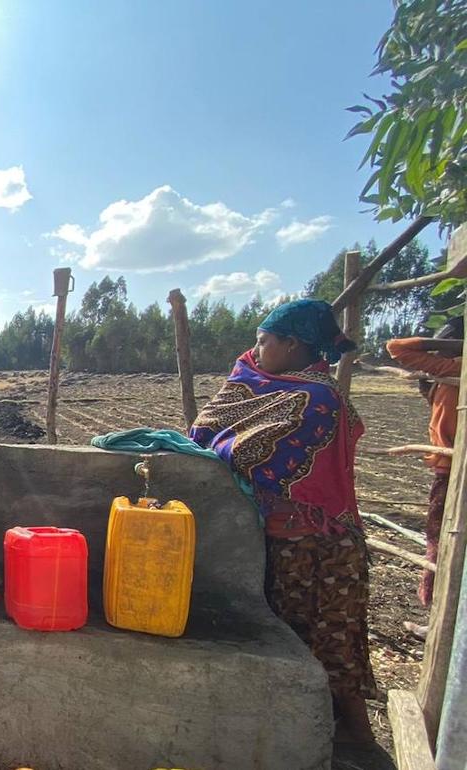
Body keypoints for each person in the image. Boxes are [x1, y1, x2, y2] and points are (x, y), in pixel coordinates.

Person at [189, 299, 376, 745]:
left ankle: (356, 738)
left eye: (264, 341)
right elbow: (207, 425)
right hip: (283, 537)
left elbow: (248, 451)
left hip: (318, 544)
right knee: (291, 632)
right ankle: (317, 731)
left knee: (330, 638)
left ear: (292, 344)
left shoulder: (316, 397)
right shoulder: (271, 385)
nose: (255, 351)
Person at [386, 317, 463, 637]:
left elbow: (396, 348)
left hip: (453, 469)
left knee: (444, 541)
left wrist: (451, 345)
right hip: (448, 466)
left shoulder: (458, 364)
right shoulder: (452, 369)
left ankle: (442, 626)